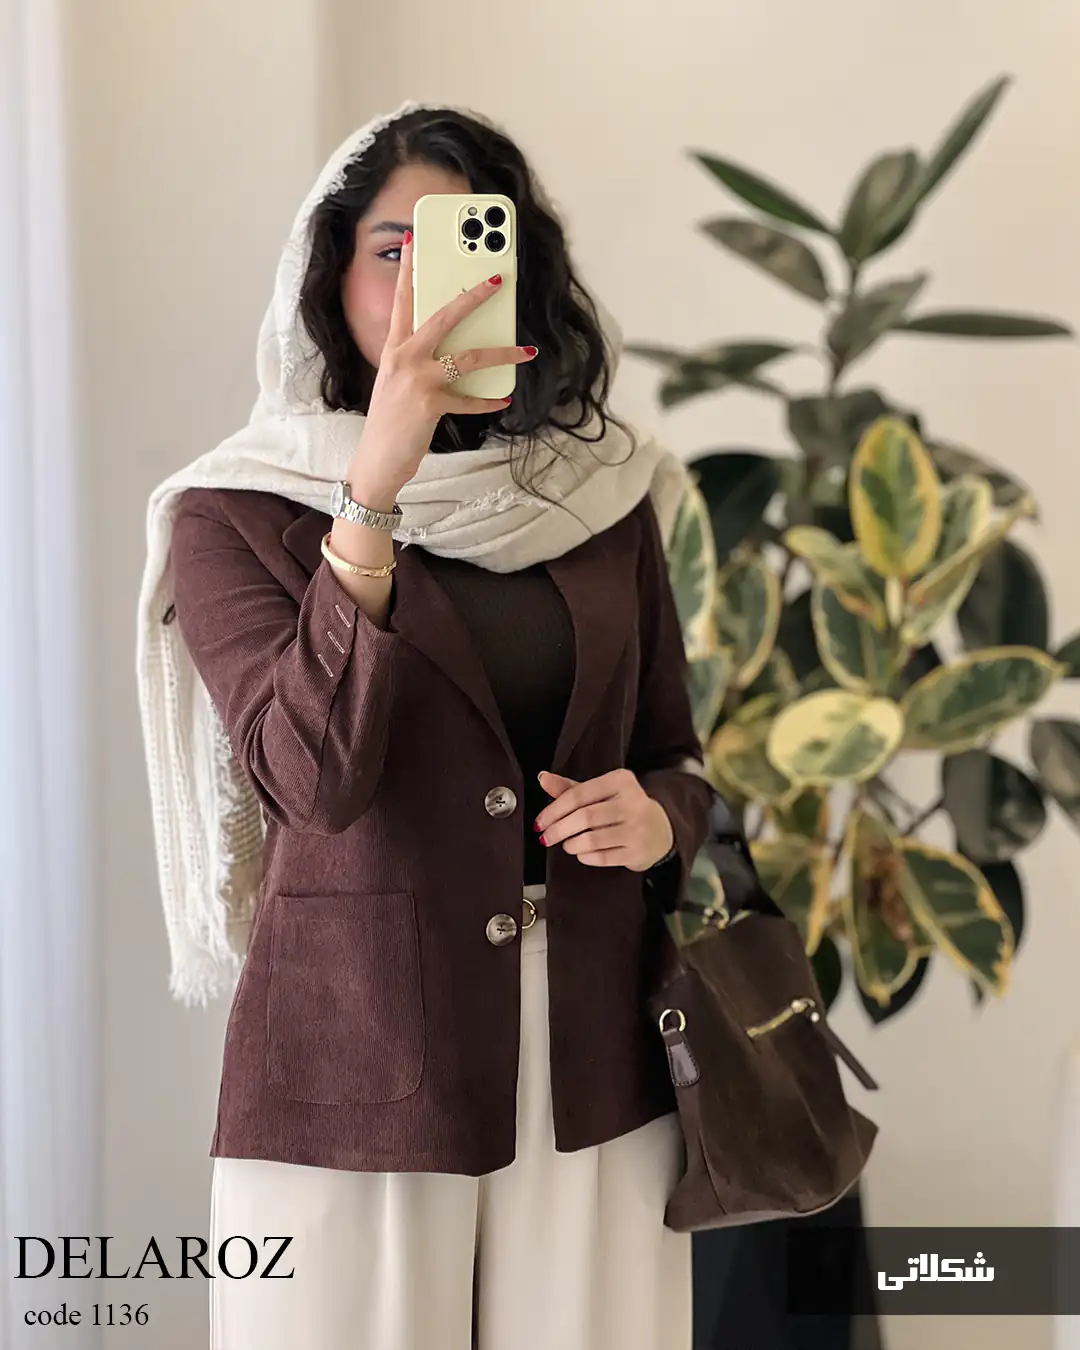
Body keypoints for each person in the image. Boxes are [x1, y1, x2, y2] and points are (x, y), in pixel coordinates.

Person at [137, 98, 717, 1350]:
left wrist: (658, 817)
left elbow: (678, 756)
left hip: (595, 1059)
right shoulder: (236, 511)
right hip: (355, 1061)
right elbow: (309, 781)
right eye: (391, 249)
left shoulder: (603, 493)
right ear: (327, 274)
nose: (422, 286)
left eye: (461, 248)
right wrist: (372, 493)